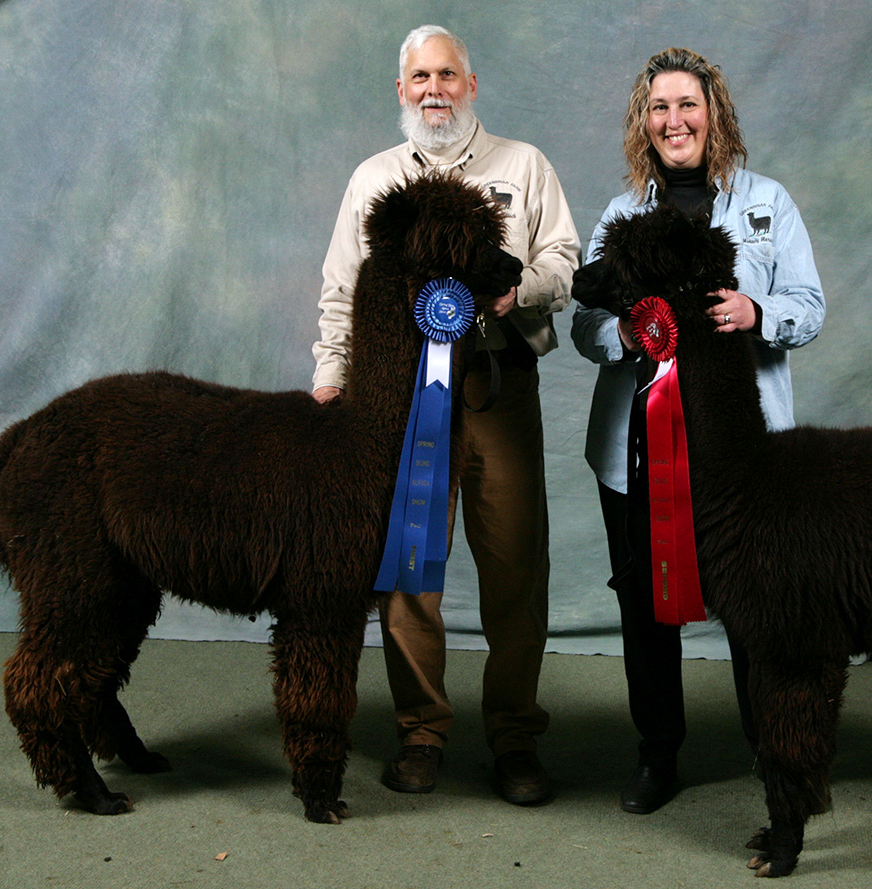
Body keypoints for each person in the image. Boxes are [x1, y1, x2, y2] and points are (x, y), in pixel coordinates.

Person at [313, 25, 580, 805]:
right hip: (402, 402)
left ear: (472, 84)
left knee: (516, 570)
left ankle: (516, 738)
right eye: (420, 77)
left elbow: (562, 260)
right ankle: (421, 732)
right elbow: (341, 287)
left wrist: (515, 289)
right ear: (402, 91)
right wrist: (331, 379)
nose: (435, 88)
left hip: (500, 386)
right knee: (409, 573)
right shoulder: (373, 180)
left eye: (449, 75)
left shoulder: (524, 165)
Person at [571, 47, 825, 814]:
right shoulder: (621, 216)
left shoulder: (767, 203)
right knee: (646, 602)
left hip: (742, 450)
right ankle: (658, 752)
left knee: (755, 596)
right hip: (637, 448)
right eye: (659, 108)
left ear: (713, 112)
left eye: (687, 104)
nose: (673, 120)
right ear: (642, 123)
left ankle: (770, 743)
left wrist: (760, 313)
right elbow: (584, 322)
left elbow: (809, 304)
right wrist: (620, 331)